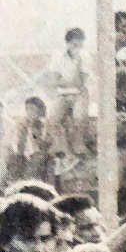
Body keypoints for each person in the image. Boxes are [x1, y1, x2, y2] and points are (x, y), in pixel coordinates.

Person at [46, 27, 91, 158]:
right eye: (74, 44)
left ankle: (79, 147)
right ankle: (63, 147)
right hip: (63, 94)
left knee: (78, 117)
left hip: (79, 93)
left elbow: (81, 81)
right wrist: (67, 83)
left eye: (80, 44)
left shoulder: (84, 56)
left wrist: (77, 62)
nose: (77, 47)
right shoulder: (58, 56)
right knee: (53, 118)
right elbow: (55, 80)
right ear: (68, 43)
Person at [9, 97, 53, 185]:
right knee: (15, 160)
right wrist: (24, 130)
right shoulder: (22, 125)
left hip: (40, 156)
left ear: (40, 111)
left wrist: (35, 131)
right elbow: (18, 146)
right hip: (23, 156)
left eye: (32, 109)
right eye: (27, 109)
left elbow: (45, 146)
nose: (30, 112)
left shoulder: (45, 125)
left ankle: (27, 183)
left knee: (36, 159)